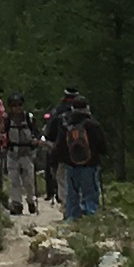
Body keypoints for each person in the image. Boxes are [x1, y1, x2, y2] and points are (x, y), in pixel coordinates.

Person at [54, 87, 103, 222]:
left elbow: (60, 146)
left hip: (71, 164)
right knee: (90, 192)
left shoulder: (67, 124)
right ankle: (90, 218)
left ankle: (72, 217)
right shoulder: (93, 124)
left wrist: (58, 159)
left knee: (72, 194)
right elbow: (102, 145)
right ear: (87, 107)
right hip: (90, 163)